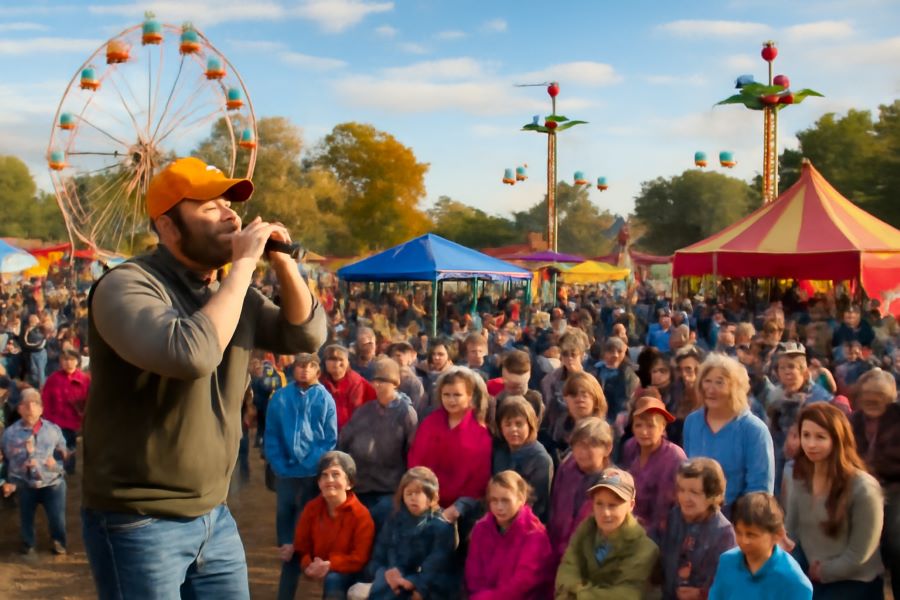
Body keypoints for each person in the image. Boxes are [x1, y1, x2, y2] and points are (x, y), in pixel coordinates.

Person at [81, 157, 326, 598]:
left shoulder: (232, 293)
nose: (231, 214)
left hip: (214, 515)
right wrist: (245, 265)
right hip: (139, 519)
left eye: (229, 204)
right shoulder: (127, 285)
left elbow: (306, 332)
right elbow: (190, 354)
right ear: (169, 227)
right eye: (210, 207)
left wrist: (282, 260)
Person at [786, 403, 885, 599]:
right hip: (811, 576)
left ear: (837, 440)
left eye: (820, 437)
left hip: (856, 581)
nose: (811, 444)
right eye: (806, 435)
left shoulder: (863, 488)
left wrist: (823, 572)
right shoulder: (798, 478)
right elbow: (792, 533)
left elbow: (860, 555)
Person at [266, 353, 338, 600]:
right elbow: (272, 434)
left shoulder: (325, 399)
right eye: (300, 366)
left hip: (311, 475)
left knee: (306, 528)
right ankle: (287, 559)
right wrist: (279, 463)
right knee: (285, 519)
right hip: (285, 473)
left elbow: (329, 438)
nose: (304, 371)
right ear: (293, 369)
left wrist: (311, 463)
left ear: (317, 370)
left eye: (310, 367)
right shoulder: (281, 398)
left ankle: (302, 570)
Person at [408, 367, 492, 547]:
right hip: (426, 500)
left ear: (469, 396)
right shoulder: (430, 422)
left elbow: (479, 479)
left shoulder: (480, 433)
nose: (451, 400)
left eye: (457, 395)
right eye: (446, 395)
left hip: (462, 507)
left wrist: (457, 508)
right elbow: (416, 461)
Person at [683, 353, 774, 512]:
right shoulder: (692, 422)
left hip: (736, 520)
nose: (711, 389)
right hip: (694, 517)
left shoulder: (754, 430)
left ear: (735, 388)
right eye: (707, 381)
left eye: (720, 383)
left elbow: (760, 490)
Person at [349, 467, 456, 600]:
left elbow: (436, 567)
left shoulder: (441, 527)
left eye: (418, 493)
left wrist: (414, 583)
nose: (413, 498)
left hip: (426, 587)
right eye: (409, 493)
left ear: (431, 497)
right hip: (389, 581)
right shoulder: (394, 520)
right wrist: (385, 574)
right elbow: (379, 555)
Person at [555, 468, 659, 599]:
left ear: (631, 505)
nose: (605, 513)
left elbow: (625, 595)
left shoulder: (645, 549)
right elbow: (565, 574)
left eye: (613, 505)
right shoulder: (584, 533)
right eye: (599, 503)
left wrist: (578, 594)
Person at [339, 358, 418, 530]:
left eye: (383, 381)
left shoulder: (406, 413)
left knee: (381, 526)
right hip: (360, 485)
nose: (377, 385)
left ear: (395, 383)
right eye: (375, 381)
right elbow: (344, 441)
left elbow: (412, 452)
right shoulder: (364, 410)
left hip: (389, 488)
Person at [294, 451, 376, 599]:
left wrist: (329, 565)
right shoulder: (311, 508)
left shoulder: (361, 515)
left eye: (335, 474)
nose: (329, 480)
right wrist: (308, 565)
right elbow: (301, 545)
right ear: (318, 483)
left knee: (334, 580)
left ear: (349, 483)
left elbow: (359, 558)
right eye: (324, 475)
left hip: (350, 572)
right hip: (316, 567)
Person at [849, 368, 900, 598]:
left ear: (889, 398)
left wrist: (874, 472)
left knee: (894, 541)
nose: (871, 401)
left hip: (894, 487)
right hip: (860, 486)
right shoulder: (855, 420)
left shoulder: (897, 417)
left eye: (878, 396)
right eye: (866, 396)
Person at [465, 471, 555, 599]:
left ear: (521, 499)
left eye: (505, 500)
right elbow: (473, 573)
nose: (499, 507)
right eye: (494, 500)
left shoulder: (534, 535)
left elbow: (523, 583)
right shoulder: (481, 528)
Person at [0, 388, 69, 555]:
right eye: (26, 404)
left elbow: (66, 456)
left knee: (56, 517)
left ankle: (59, 542)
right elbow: (3, 461)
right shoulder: (9, 434)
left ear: (41, 409)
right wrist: (5, 482)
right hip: (24, 484)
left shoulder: (53, 430)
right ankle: (28, 543)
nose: (31, 407)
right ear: (19, 409)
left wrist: (57, 464)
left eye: (35, 403)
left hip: (52, 483)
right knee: (26, 518)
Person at [709, 492, 812, 600]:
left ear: (777, 535)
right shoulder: (727, 562)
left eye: (751, 535)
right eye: (739, 532)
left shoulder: (794, 582)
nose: (744, 540)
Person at [660, 458, 736, 600]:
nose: (685, 498)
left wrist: (701, 594)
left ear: (712, 495)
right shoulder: (675, 516)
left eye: (694, 492)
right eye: (681, 490)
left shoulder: (723, 534)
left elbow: (727, 586)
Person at [547, 417, 614, 563]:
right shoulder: (567, 468)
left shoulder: (613, 483)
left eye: (592, 445)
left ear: (607, 448)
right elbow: (554, 510)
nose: (584, 451)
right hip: (556, 554)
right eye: (579, 445)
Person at [621, 396, 686, 541]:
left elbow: (670, 507)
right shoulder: (630, 447)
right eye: (638, 425)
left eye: (650, 426)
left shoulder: (675, 457)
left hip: (661, 533)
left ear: (662, 427)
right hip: (627, 524)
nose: (644, 432)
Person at [492, 395, 554, 522]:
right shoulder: (500, 453)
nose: (513, 429)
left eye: (519, 424)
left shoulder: (540, 459)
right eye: (508, 424)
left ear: (530, 425)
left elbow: (538, 504)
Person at [40, 347, 90, 474]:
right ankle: (58, 471)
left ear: (77, 361)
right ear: (60, 361)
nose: (68, 362)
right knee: (58, 448)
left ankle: (70, 470)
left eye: (71, 359)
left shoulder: (85, 380)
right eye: (65, 359)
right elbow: (45, 399)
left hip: (75, 421)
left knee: (71, 447)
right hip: (56, 421)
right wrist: (47, 420)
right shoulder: (53, 379)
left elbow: (89, 401)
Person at [546, 371, 607, 463]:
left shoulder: (604, 432)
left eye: (584, 394)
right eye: (573, 394)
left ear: (596, 398)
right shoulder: (559, 426)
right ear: (565, 399)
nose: (579, 399)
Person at [322, 344, 377, 430]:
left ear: (348, 362)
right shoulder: (319, 383)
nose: (337, 363)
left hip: (353, 432)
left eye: (341, 359)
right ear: (325, 362)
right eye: (332, 359)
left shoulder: (357, 382)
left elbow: (361, 413)